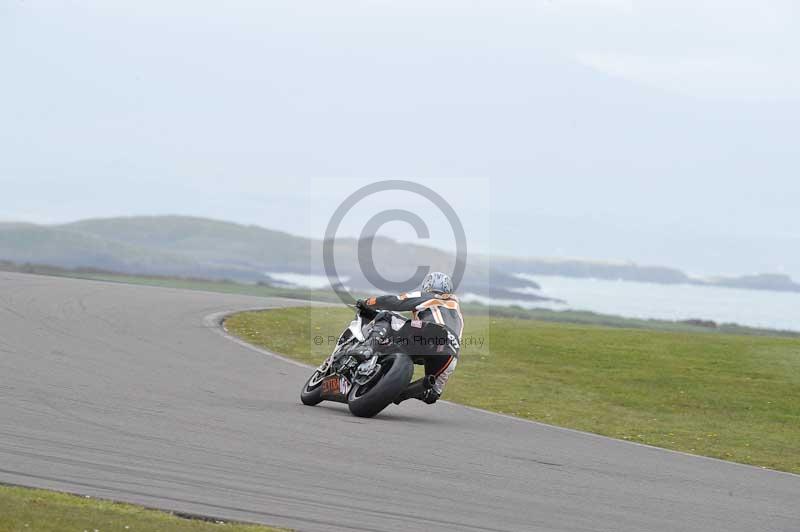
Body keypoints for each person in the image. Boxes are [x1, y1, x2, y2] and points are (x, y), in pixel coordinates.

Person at [355, 271, 463, 404]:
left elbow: (394, 301)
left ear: (427, 286)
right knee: (431, 395)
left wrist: (367, 302)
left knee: (387, 315)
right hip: (451, 351)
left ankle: (367, 348)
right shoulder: (456, 308)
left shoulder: (429, 296)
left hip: (431, 331)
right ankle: (398, 393)